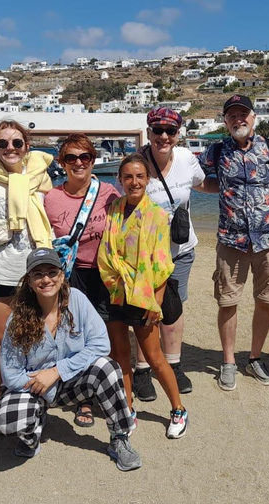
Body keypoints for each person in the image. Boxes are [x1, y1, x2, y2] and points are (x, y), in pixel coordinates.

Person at [0, 248, 141, 471]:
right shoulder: (17, 318)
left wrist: (56, 372)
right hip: (32, 388)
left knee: (107, 367)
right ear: (29, 282)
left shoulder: (78, 300)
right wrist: (43, 385)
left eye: (52, 272)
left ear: (62, 276)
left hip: (70, 383)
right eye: (38, 274)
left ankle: (119, 438)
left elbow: (101, 344)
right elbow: (11, 375)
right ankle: (33, 430)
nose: (46, 279)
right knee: (8, 420)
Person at [197, 94, 269, 392]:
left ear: (253, 117)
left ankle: (254, 357)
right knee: (228, 301)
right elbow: (195, 178)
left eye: (243, 114)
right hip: (231, 240)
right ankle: (229, 361)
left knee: (265, 300)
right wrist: (223, 190)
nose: (238, 119)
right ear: (225, 121)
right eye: (232, 115)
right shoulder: (216, 151)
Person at [98, 153, 189, 439]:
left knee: (153, 355)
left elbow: (162, 263)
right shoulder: (113, 208)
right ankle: (127, 407)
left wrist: (157, 302)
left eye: (139, 176)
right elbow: (107, 250)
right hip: (113, 290)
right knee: (120, 355)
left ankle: (178, 409)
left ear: (147, 180)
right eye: (128, 177)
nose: (134, 182)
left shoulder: (157, 215)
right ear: (120, 180)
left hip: (143, 293)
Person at [131, 107, 216, 402]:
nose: (163, 136)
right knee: (145, 310)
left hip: (180, 249)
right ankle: (142, 370)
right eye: (157, 130)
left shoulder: (186, 159)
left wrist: (236, 187)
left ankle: (172, 364)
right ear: (148, 132)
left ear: (178, 134)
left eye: (170, 131)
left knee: (173, 308)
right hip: (145, 255)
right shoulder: (138, 163)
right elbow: (124, 201)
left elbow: (202, 184)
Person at [0, 119, 54, 400]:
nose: (10, 148)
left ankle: (33, 398)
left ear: (26, 146)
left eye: (17, 142)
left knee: (37, 340)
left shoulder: (40, 178)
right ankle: (3, 398)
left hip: (38, 272)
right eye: (3, 143)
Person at [45, 133, 120, 427]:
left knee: (109, 332)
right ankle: (83, 399)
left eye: (85, 157)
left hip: (104, 271)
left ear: (93, 160)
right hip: (71, 273)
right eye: (71, 158)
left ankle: (111, 387)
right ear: (62, 162)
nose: (79, 163)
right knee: (75, 335)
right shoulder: (51, 197)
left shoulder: (109, 192)